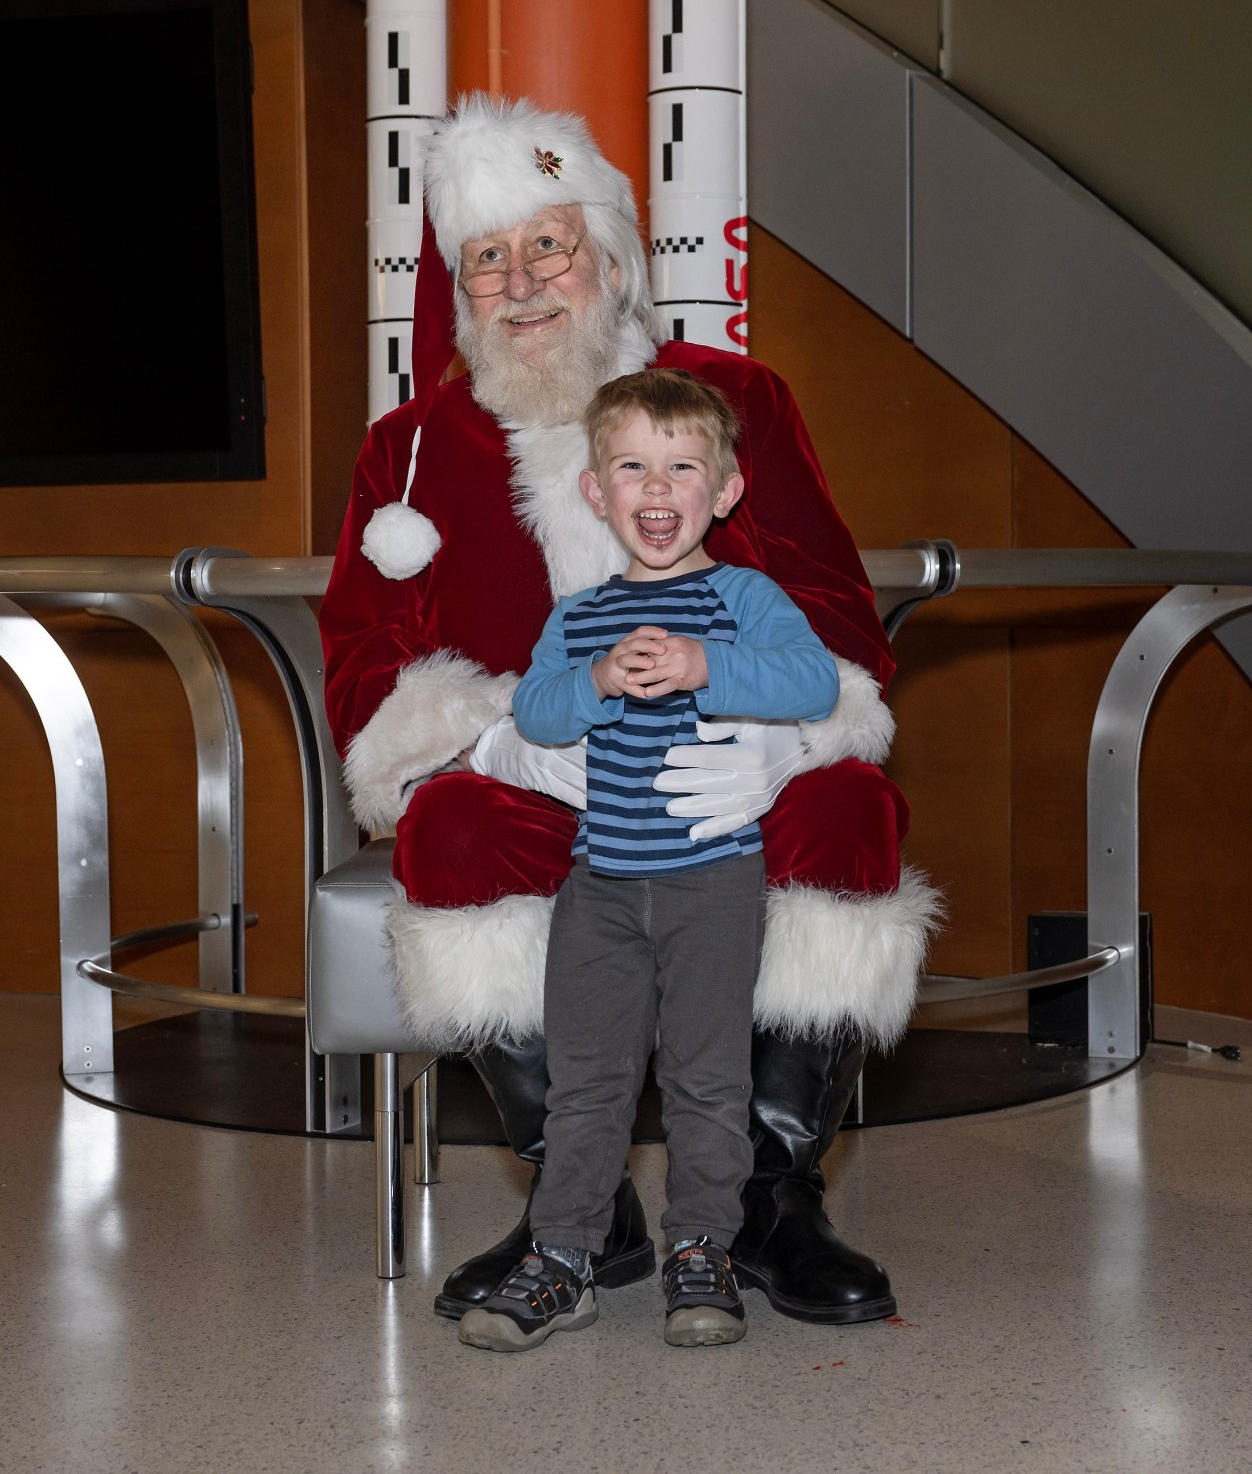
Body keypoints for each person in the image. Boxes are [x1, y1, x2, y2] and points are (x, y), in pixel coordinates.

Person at [319, 94, 940, 1328]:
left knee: (847, 806)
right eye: (486, 258)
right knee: (451, 831)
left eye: (545, 243)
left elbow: (828, 611)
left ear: (607, 255)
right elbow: (366, 656)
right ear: (458, 292)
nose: (520, 279)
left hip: (734, 770)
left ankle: (771, 1201)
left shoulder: (731, 397)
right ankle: (583, 1207)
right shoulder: (407, 448)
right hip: (540, 765)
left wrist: (768, 746)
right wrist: (507, 745)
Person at [456, 369, 839, 1352]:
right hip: (602, 884)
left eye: (681, 468)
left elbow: (808, 680)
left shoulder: (743, 595)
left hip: (713, 877)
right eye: (631, 467)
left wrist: (710, 665)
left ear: (723, 492)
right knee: (584, 1081)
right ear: (595, 490)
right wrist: (590, 678)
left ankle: (702, 1247)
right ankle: (564, 1256)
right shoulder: (579, 613)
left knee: (708, 1079)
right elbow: (535, 711)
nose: (656, 489)